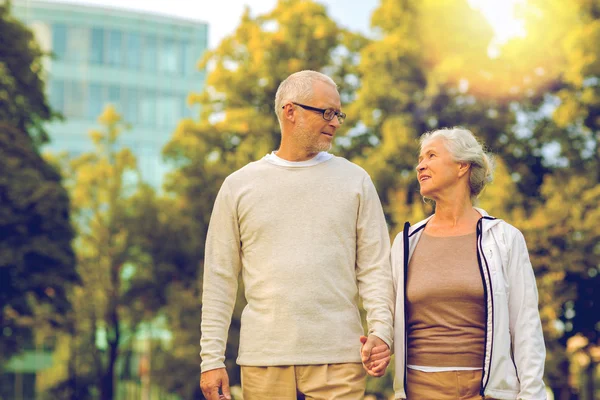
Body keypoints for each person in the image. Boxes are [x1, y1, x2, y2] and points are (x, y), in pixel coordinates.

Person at [199, 70, 394, 400]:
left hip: (339, 358)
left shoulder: (355, 181)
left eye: (338, 114)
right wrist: (211, 360)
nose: (335, 122)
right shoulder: (238, 185)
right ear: (290, 111)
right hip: (264, 359)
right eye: (326, 112)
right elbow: (220, 278)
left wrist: (382, 332)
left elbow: (375, 268)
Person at [388, 127, 546, 399]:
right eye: (420, 158)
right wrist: (378, 344)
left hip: (486, 391)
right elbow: (388, 317)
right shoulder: (406, 242)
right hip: (419, 388)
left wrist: (532, 394)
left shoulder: (505, 239)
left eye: (431, 155)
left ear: (462, 165)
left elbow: (526, 326)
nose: (420, 165)